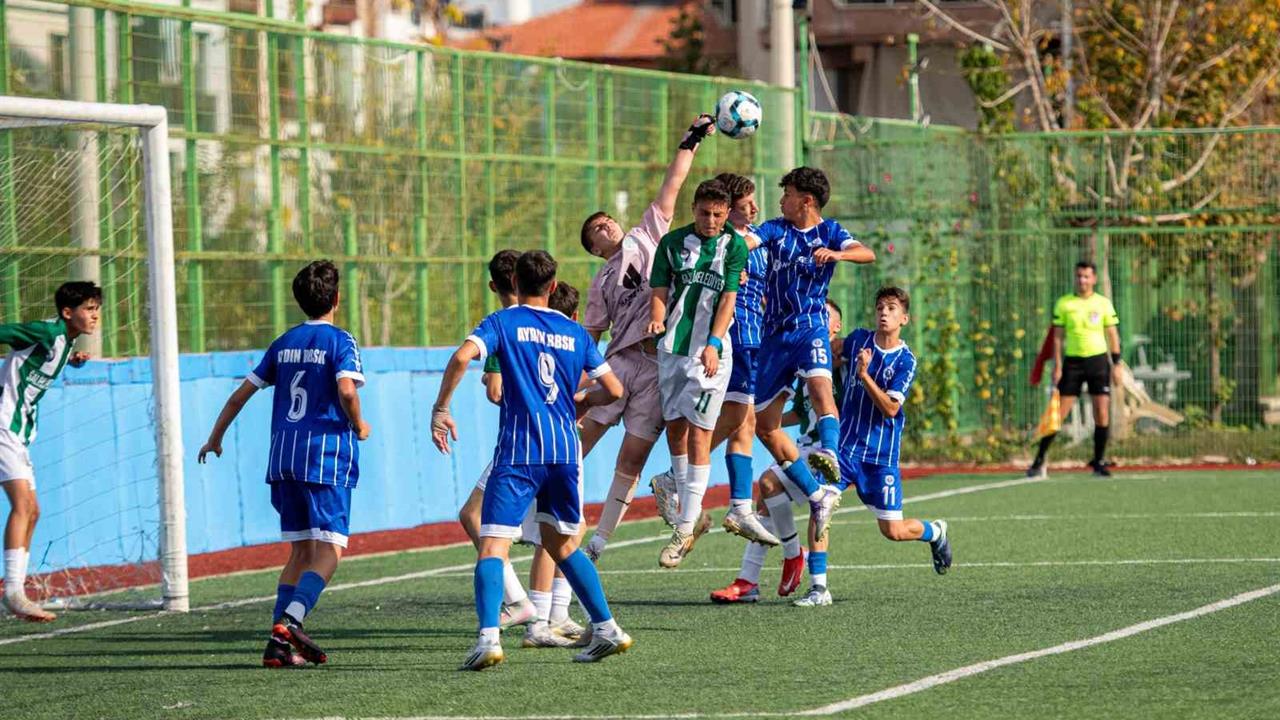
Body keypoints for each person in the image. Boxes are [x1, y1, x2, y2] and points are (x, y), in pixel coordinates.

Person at [431, 250, 632, 670]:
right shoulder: (575, 334)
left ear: (513, 285)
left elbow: (462, 357)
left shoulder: (503, 322)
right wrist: (582, 401)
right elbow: (614, 390)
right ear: (554, 286)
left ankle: (488, 638)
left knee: (492, 544)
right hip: (564, 451)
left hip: (521, 451)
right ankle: (608, 628)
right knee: (562, 544)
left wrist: (441, 409)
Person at [198, 261, 371, 668]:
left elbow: (242, 394)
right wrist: (359, 423)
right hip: (324, 458)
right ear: (337, 298)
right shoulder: (341, 341)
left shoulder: (283, 343)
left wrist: (215, 437)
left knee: (300, 551)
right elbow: (346, 390)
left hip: (283, 459)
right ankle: (291, 621)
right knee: (330, 550)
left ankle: (278, 645)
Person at [578, 115, 716, 562]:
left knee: (632, 457)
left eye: (606, 221)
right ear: (595, 248)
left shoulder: (647, 234)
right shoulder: (600, 280)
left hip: (660, 366)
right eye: (596, 230)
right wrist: (578, 375)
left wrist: (690, 141)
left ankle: (599, 541)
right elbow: (591, 335)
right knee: (580, 437)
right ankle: (548, 511)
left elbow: (672, 185)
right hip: (621, 362)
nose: (606, 226)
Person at [795, 287, 951, 607]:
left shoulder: (906, 361)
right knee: (821, 505)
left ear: (904, 319)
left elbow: (891, 409)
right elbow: (829, 351)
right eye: (880, 306)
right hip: (845, 449)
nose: (884, 312)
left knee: (892, 531)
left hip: (880, 458)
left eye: (892, 308)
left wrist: (864, 375)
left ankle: (935, 532)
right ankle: (818, 588)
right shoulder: (858, 340)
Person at [649, 172, 778, 547]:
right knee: (680, 428)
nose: (711, 221)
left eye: (718, 215)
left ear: (725, 214)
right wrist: (656, 316)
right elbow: (659, 290)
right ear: (695, 210)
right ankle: (682, 490)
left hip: (718, 351)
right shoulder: (673, 244)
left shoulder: (736, 246)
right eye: (705, 213)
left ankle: (696, 518)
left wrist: (715, 342)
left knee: (724, 424)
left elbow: (728, 299)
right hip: (674, 349)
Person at [753, 167, 875, 542]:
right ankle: (817, 494)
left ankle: (831, 456)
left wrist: (837, 254)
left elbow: (866, 253)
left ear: (806, 200)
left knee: (822, 390)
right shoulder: (775, 229)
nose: (781, 200)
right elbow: (750, 243)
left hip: (810, 328)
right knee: (764, 426)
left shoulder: (830, 231)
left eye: (787, 193)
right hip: (773, 336)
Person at [710, 300, 843, 604]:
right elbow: (797, 412)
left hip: (839, 452)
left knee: (889, 525)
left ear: (836, 328)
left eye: (825, 318)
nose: (815, 322)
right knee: (768, 489)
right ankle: (754, 578)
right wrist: (759, 422)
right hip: (807, 449)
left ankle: (812, 579)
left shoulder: (840, 356)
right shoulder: (800, 358)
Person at [0, 281, 99, 622]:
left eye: (97, 308)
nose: (95, 315)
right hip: (2, 425)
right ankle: (13, 592)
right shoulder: (45, 331)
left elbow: (49, 354)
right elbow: (8, 333)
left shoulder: (62, 342)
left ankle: (16, 590)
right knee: (22, 505)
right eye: (88, 309)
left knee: (34, 511)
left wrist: (72, 360)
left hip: (19, 432)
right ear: (68, 312)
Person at [456, 250, 538, 630]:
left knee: (474, 516)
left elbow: (495, 391)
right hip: (560, 437)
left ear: (494, 286)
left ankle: (521, 604)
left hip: (522, 440)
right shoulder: (549, 316)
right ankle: (555, 617)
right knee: (560, 535)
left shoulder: (502, 325)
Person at [1027, 261, 1122, 478]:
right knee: (1059, 413)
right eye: (1079, 276)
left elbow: (1113, 335)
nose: (1082, 280)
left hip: (1098, 363)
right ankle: (1039, 460)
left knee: (1102, 412)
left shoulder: (1103, 304)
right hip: (1073, 364)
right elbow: (1058, 338)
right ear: (1075, 277)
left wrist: (1116, 364)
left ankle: (1098, 462)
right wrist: (1058, 366)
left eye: (1087, 276)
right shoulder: (1064, 304)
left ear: (1094, 279)